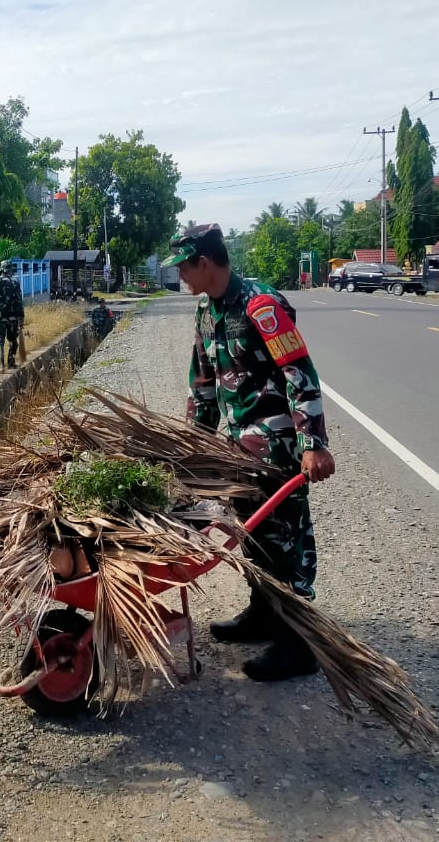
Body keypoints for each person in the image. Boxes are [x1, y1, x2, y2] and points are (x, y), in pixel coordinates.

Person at [163, 224, 336, 682]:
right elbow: (201, 386)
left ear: (204, 262)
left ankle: (300, 643)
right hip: (237, 448)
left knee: (284, 543)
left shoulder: (262, 306)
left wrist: (313, 445)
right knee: (252, 536)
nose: (180, 275)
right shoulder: (206, 310)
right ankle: (263, 613)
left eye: (183, 265)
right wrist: (191, 448)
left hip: (277, 449)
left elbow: (301, 374)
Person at [0, 260, 25, 371]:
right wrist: (22, 317)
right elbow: (19, 301)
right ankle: (11, 362)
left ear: (2, 270)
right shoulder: (16, 282)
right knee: (13, 341)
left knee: (0, 340)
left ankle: (1, 365)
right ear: (10, 270)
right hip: (13, 317)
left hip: (0, 317)